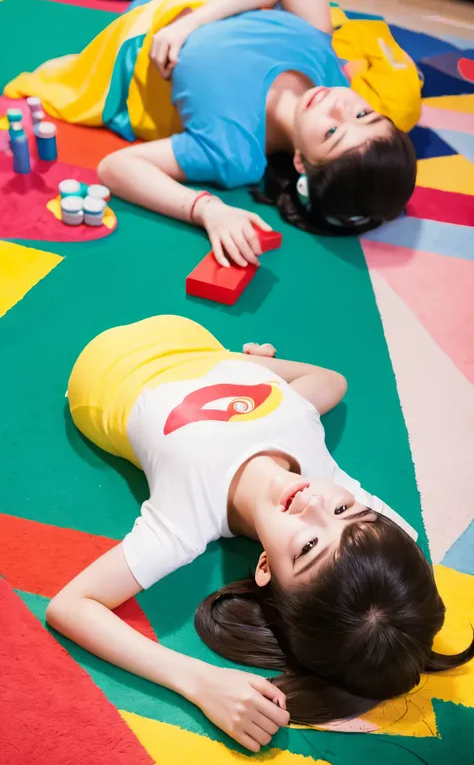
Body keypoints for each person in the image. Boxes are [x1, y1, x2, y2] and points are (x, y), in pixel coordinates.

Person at [47, 315, 473, 752]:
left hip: (103, 372)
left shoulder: (186, 517)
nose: (313, 505)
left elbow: (71, 606)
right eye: (346, 510)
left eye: (308, 546)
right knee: (333, 389)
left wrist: (199, 681)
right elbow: (331, 382)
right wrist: (246, 367)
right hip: (199, 341)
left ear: (265, 567)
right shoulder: (325, 475)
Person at [96, 0, 418, 267]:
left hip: (136, 32)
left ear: (302, 164)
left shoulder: (233, 152)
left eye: (332, 132)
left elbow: (114, 166)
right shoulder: (327, 65)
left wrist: (207, 210)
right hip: (194, 1)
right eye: (363, 114)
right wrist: (190, 23)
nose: (338, 106)